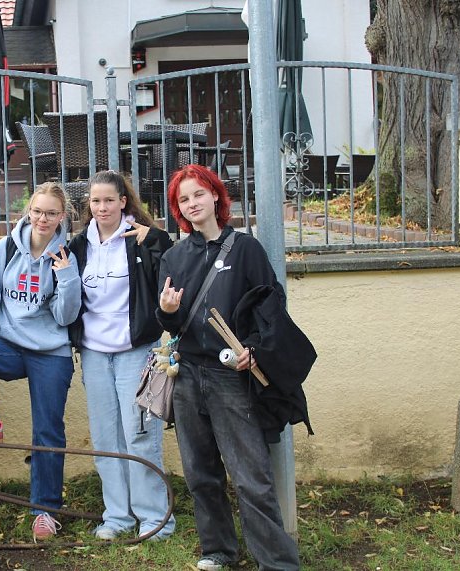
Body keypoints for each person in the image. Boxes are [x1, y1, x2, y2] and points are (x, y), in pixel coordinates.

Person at [156, 164, 300, 570]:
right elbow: (169, 322)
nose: (192, 203)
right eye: (183, 199)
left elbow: (272, 308)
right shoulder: (174, 256)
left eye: (198, 194)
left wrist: (253, 349)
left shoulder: (246, 249)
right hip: (186, 375)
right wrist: (165, 311)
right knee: (201, 474)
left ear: (216, 196)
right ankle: (218, 550)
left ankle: (277, 562)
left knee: (252, 478)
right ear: (178, 208)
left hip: (230, 379)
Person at [0, 181, 81, 541]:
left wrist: (66, 276)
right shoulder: (5, 248)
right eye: (37, 211)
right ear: (29, 211)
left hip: (50, 353)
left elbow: (66, 318)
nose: (43, 218)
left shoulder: (67, 254)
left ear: (62, 217)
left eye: (51, 213)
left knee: (47, 431)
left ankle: (45, 511)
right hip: (9, 346)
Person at [67, 170, 175, 541]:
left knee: (140, 434)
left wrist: (158, 238)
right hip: (95, 354)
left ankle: (154, 518)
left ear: (123, 202)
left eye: (109, 200)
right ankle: (117, 517)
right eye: (95, 202)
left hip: (135, 350)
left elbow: (176, 266)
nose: (102, 207)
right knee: (105, 437)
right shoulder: (79, 245)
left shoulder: (141, 239)